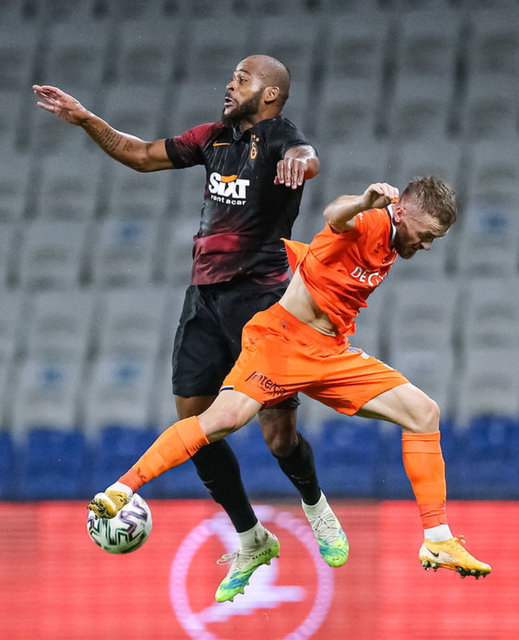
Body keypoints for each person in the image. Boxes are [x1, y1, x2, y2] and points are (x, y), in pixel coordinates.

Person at [33, 55, 349, 603]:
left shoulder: (280, 138)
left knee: (279, 438)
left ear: (270, 95)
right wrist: (86, 119)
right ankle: (251, 538)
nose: (230, 84)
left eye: (243, 79)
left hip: (263, 306)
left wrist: (302, 164)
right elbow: (140, 155)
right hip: (203, 302)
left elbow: (306, 155)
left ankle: (316, 506)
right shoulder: (212, 138)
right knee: (194, 428)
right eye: (232, 76)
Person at [89, 177, 492, 581]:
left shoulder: (392, 241)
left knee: (424, 413)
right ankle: (122, 488)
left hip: (330, 351)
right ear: (400, 212)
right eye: (426, 235)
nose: (427, 245)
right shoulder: (370, 220)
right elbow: (336, 215)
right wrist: (363, 202)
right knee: (222, 421)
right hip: (281, 343)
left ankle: (437, 539)